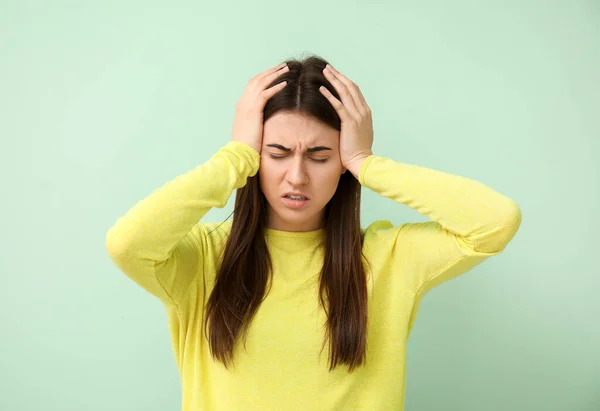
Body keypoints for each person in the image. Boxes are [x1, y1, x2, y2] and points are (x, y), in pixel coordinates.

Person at [105, 55, 522, 411]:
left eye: (320, 156)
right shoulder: (201, 258)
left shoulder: (386, 257)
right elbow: (127, 245)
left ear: (341, 163)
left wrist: (366, 162)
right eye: (277, 153)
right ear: (255, 157)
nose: (297, 176)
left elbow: (495, 222)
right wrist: (235, 156)